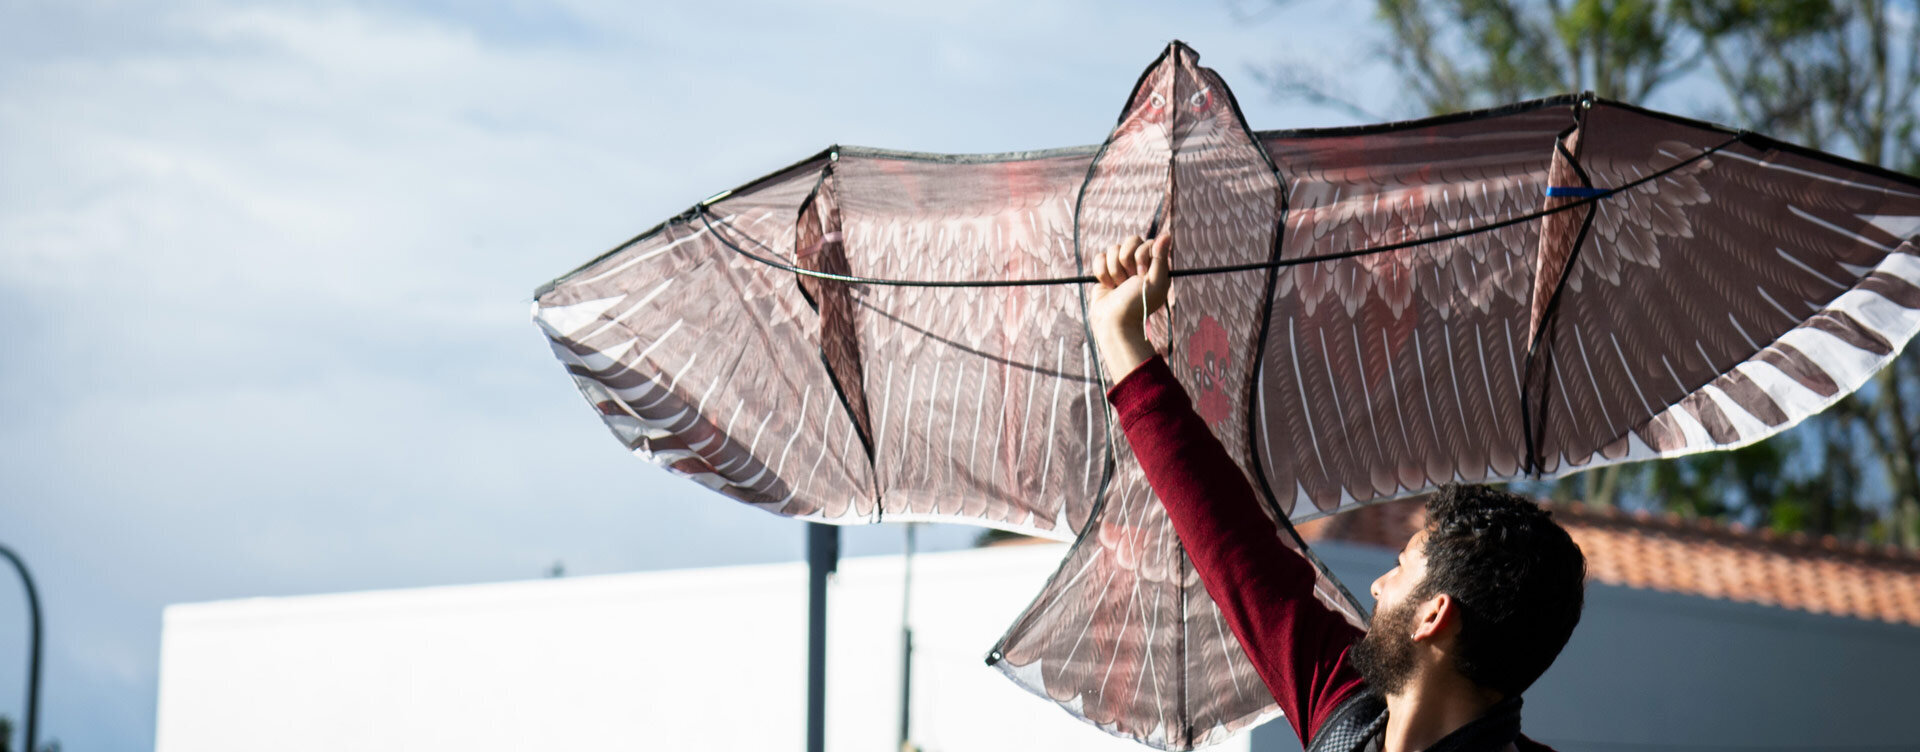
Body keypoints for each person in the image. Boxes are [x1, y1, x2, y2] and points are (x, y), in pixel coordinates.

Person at [1085, 235, 1588, 752]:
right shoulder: (1346, 708)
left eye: (1400, 568)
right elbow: (1230, 541)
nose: (1376, 586)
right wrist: (1120, 337)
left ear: (1433, 615)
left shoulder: (1341, 703)